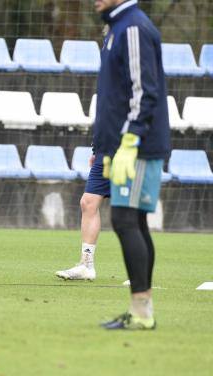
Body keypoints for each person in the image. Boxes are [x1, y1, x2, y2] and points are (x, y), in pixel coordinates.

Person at [94, 0, 170, 330]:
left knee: (126, 219)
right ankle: (141, 311)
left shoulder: (134, 27)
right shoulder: (116, 27)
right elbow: (114, 95)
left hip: (138, 146)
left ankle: (142, 313)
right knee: (132, 219)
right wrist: (105, 145)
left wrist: (130, 140)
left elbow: (145, 91)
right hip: (123, 146)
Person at [56, 155, 106, 281]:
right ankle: (86, 264)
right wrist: (97, 150)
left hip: (129, 156)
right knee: (88, 203)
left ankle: (140, 273)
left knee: (131, 210)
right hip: (103, 157)